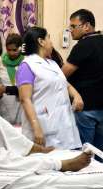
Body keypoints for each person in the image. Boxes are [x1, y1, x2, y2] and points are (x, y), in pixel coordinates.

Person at [16, 26, 82, 150]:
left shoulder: (52, 64)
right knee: (50, 165)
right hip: (43, 127)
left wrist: (77, 95)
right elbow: (25, 99)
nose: (51, 43)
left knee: (69, 162)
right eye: (49, 38)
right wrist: (36, 127)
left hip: (64, 126)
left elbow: (64, 83)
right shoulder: (27, 65)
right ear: (41, 42)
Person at [62, 9, 103, 155]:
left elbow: (61, 75)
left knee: (83, 154)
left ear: (86, 26)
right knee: (100, 154)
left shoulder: (83, 46)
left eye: (73, 26)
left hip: (85, 109)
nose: (70, 30)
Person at [0, 33, 24, 124]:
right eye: (8, 50)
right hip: (4, 105)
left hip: (21, 105)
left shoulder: (26, 61)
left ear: (20, 48)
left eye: (14, 50)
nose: (11, 53)